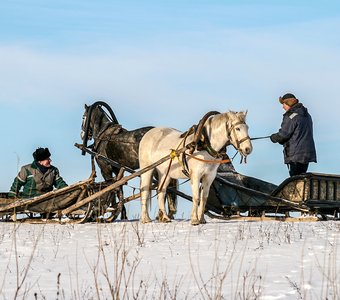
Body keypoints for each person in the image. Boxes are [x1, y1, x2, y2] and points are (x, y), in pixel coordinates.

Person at [270, 93, 317, 176]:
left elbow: (283, 135)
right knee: (301, 178)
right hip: (306, 154)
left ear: (288, 103)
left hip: (296, 155)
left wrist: (274, 137)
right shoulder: (306, 115)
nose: (283, 107)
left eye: (283, 104)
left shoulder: (291, 116)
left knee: (295, 179)